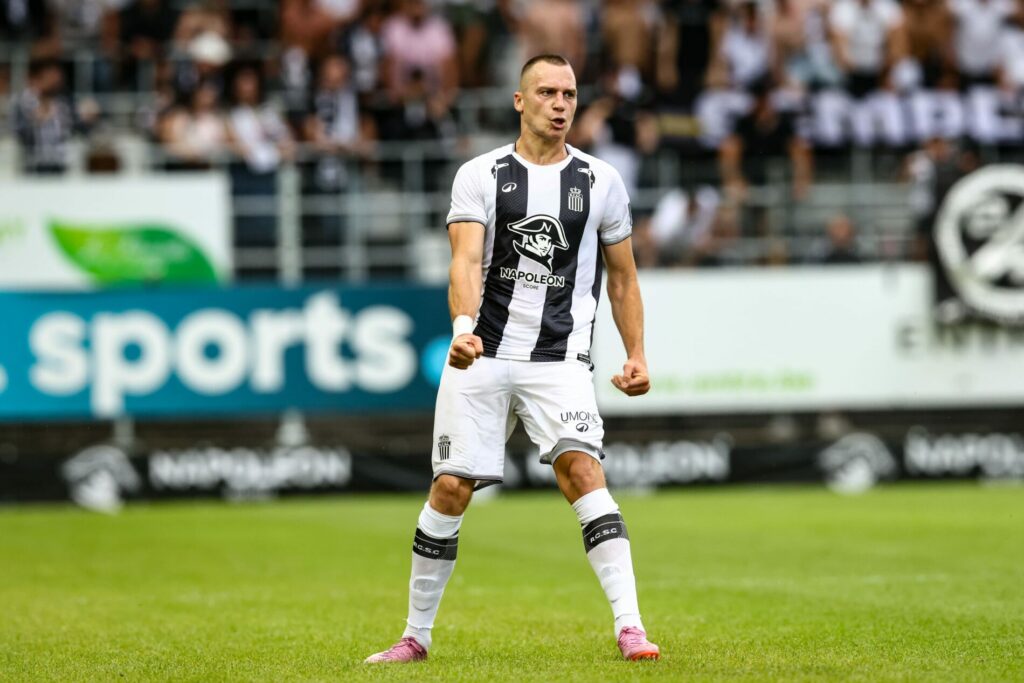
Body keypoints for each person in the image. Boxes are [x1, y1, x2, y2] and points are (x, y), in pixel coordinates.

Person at [364, 54, 660, 664]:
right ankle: (415, 636)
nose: (560, 104)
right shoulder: (481, 174)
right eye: (547, 92)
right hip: (483, 354)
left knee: (583, 472)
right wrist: (463, 329)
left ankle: (631, 628)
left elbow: (624, 278)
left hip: (559, 358)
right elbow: (466, 262)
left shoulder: (601, 181)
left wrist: (636, 353)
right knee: (451, 487)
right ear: (520, 101)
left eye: (569, 94)